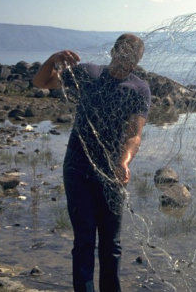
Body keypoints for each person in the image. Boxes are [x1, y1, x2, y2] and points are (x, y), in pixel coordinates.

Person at [32, 34, 151, 292]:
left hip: (113, 171)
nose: (127, 62)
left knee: (112, 244)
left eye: (134, 58)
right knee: (84, 240)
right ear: (113, 52)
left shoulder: (139, 89)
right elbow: (41, 81)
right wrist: (54, 59)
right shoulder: (88, 73)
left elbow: (134, 134)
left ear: (139, 61)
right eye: (124, 54)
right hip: (78, 167)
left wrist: (125, 161)